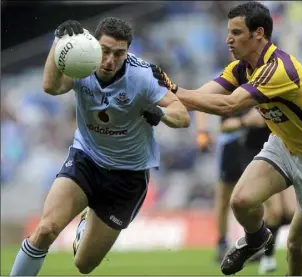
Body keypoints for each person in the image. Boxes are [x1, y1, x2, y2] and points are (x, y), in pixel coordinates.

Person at [151, 2, 302, 275]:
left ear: (258, 34)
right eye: (228, 32)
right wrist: (159, 95)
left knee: (296, 247)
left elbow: (228, 105)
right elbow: (201, 95)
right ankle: (256, 239)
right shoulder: (239, 68)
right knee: (241, 201)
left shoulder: (278, 69)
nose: (227, 39)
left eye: (236, 32)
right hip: (283, 144)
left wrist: (173, 89)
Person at [10, 17, 190, 276]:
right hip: (86, 159)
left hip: (128, 176)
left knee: (84, 265)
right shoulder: (80, 62)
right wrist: (58, 42)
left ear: (127, 52)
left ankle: (86, 222)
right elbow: (51, 86)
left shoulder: (142, 76)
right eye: (105, 51)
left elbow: (182, 115)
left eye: (119, 54)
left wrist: (160, 115)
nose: (110, 60)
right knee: (46, 229)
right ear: (94, 46)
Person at [196, 107, 296, 274]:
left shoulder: (277, 93)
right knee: (237, 201)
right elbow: (223, 122)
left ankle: (259, 241)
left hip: (281, 151)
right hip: (249, 153)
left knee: (290, 212)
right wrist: (246, 121)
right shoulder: (243, 95)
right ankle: (261, 252)